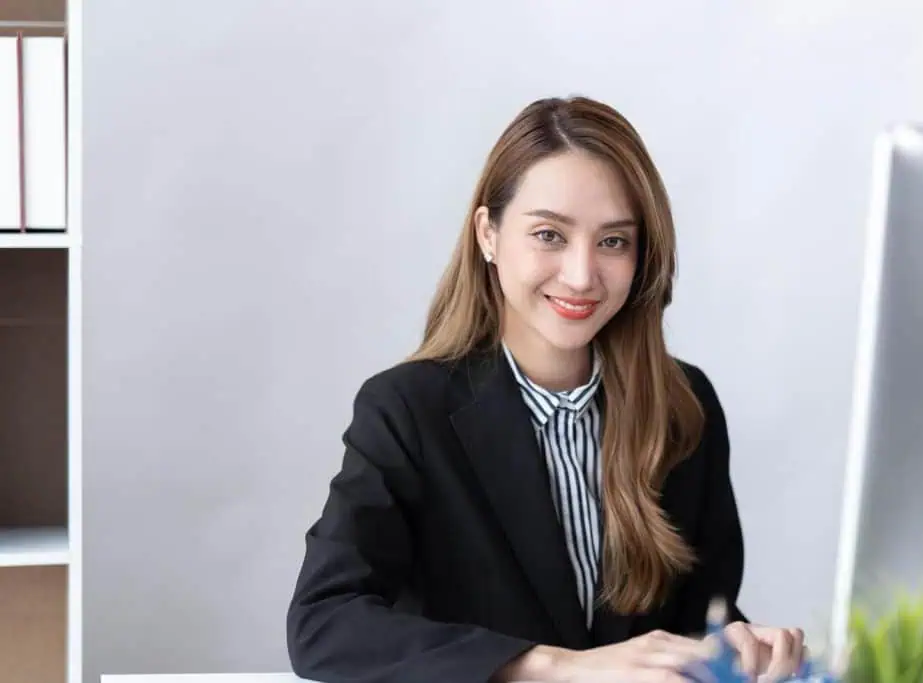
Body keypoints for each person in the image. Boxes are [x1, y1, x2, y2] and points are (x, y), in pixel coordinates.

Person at [285, 96, 807, 683]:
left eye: (613, 241)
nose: (582, 275)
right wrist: (555, 667)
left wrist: (735, 646)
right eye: (549, 235)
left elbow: (693, 622)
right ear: (488, 234)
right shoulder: (408, 411)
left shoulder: (684, 404)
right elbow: (324, 624)